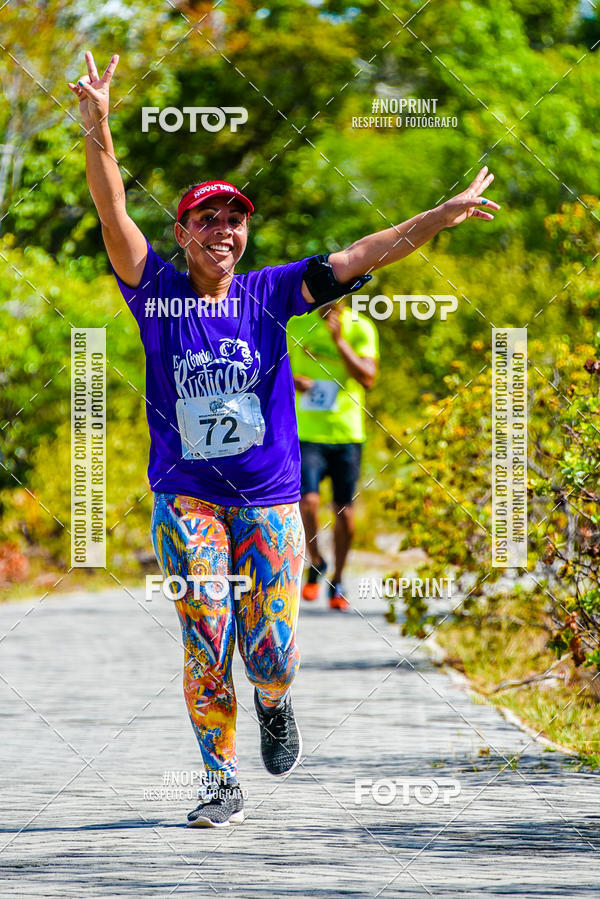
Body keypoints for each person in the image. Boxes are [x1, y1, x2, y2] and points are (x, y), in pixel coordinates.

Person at [68, 51, 500, 828]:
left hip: (269, 499)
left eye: (234, 219)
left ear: (245, 232)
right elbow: (111, 212)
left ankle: (273, 698)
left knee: (267, 650)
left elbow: (363, 253)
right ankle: (220, 777)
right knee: (205, 630)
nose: (223, 231)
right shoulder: (155, 289)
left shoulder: (273, 292)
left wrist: (437, 216)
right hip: (187, 497)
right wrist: (99, 126)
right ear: (185, 230)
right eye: (208, 219)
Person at [288, 299, 379, 611]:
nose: (330, 301)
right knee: (307, 502)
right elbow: (274, 370)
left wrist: (339, 341)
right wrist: (292, 382)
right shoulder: (297, 325)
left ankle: (338, 578)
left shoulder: (360, 327)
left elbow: (367, 377)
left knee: (344, 512)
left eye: (337, 295)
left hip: (346, 434)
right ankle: (315, 561)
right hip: (307, 433)